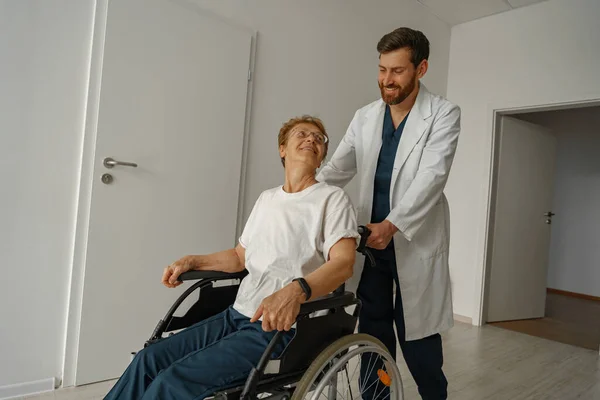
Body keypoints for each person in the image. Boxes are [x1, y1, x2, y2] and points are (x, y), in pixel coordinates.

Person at [104, 115, 360, 400]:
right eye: (302, 134)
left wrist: (296, 291)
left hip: (280, 327)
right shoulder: (267, 199)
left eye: (319, 138)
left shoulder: (332, 199)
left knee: (173, 381)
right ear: (282, 149)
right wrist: (194, 261)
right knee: (148, 360)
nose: (312, 139)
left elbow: (343, 264)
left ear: (323, 154)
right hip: (236, 314)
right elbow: (241, 257)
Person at [317, 27, 461, 400]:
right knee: (373, 332)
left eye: (397, 71)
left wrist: (392, 225)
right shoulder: (365, 116)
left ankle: (434, 395)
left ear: (421, 68)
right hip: (371, 243)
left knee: (419, 337)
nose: (387, 80)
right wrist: (302, 186)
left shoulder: (442, 114)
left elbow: (432, 177)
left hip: (412, 238)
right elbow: (338, 169)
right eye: (382, 69)